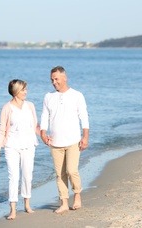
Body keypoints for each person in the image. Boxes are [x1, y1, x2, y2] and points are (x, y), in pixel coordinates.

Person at [40, 66, 89, 214]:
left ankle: (77, 195)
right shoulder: (48, 97)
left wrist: (85, 136)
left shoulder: (77, 95)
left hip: (73, 140)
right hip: (55, 142)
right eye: (52, 80)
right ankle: (63, 202)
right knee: (59, 174)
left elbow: (84, 117)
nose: (54, 82)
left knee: (71, 170)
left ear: (64, 78)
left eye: (56, 79)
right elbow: (44, 117)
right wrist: (43, 134)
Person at [0, 79, 39, 220]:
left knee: (27, 175)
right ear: (15, 92)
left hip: (28, 145)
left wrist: (46, 137)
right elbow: (1, 130)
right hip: (11, 146)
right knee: (13, 177)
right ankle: (13, 209)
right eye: (23, 90)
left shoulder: (30, 106)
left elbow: (36, 126)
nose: (26, 92)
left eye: (26, 89)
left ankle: (27, 204)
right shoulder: (7, 108)